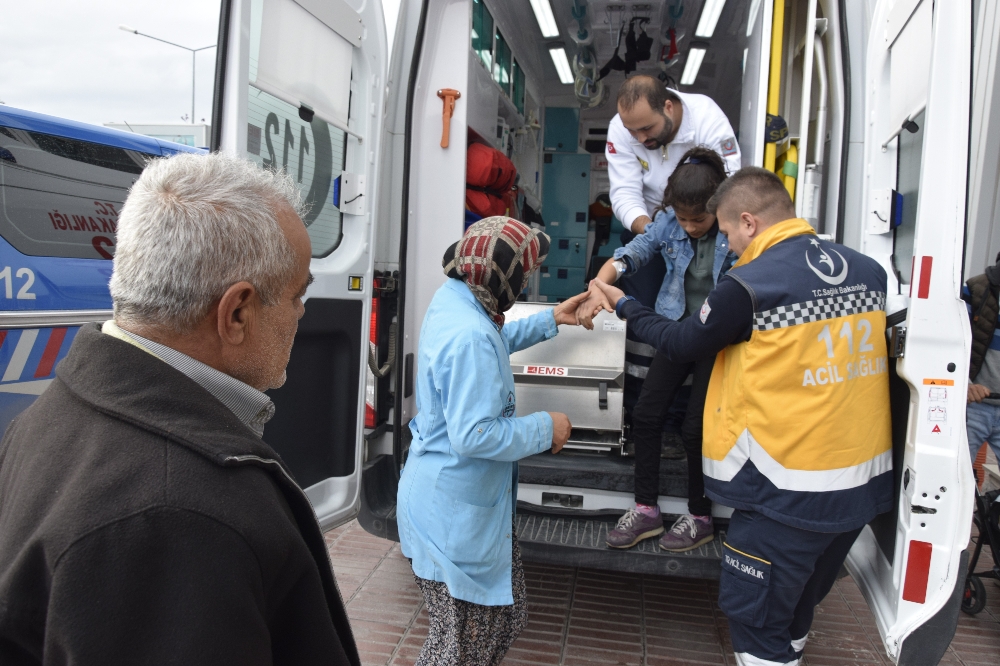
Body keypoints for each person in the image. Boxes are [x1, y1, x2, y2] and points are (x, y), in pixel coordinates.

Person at [0, 153, 360, 665]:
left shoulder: (51, 416)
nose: (303, 312)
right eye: (298, 294)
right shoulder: (183, 517)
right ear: (236, 312)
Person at [583, 167, 892, 666]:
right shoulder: (868, 271)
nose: (728, 244)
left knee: (759, 636)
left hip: (786, 495)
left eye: (727, 232)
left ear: (748, 222)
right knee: (795, 614)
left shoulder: (748, 286)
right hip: (858, 491)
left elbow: (683, 341)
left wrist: (626, 305)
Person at [397, 217, 588, 666]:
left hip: (455, 503)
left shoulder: (456, 299)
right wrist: (548, 426)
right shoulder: (470, 334)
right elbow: (474, 434)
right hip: (451, 516)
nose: (528, 280)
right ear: (505, 277)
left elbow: (491, 339)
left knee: (501, 620)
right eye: (526, 273)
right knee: (459, 650)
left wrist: (550, 319)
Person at [582, 146, 736, 551]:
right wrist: (600, 286)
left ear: (718, 207)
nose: (689, 227)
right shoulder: (668, 223)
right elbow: (631, 254)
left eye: (698, 219)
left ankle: (700, 515)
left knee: (694, 429)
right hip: (677, 331)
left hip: (717, 340)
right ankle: (646, 509)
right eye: (682, 218)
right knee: (646, 415)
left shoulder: (737, 232)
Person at [606, 75, 741, 236]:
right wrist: (652, 233)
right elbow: (625, 192)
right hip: (650, 225)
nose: (640, 138)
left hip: (703, 223)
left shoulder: (706, 117)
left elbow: (729, 181)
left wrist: (700, 224)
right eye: (631, 130)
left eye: (647, 128)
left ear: (668, 107)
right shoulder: (618, 128)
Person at [963, 253, 1000, 467]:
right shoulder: (975, 289)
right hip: (973, 407)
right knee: (958, 478)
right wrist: (965, 386)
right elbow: (951, 344)